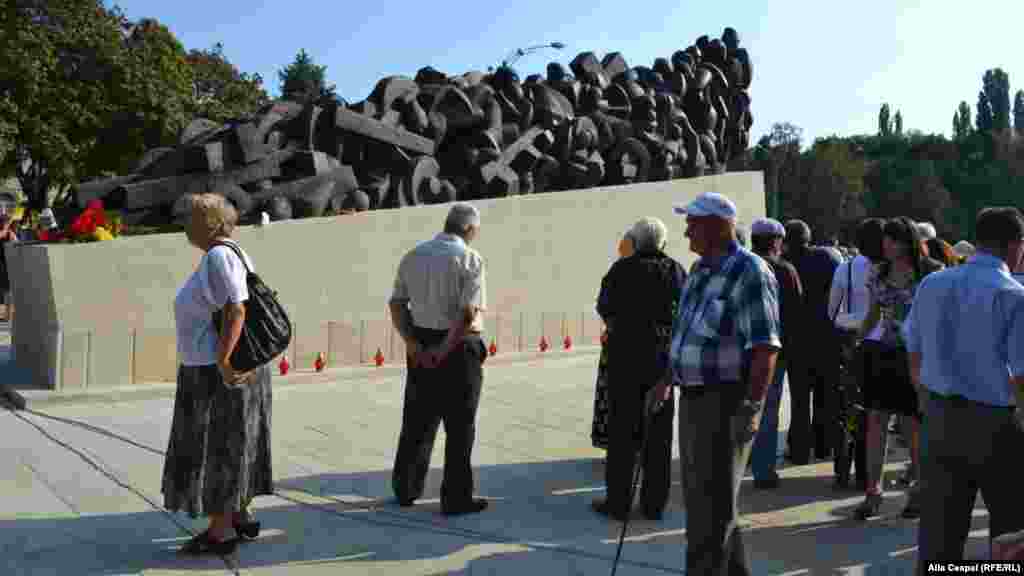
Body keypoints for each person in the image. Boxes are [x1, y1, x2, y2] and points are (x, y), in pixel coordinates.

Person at [666, 192, 781, 574]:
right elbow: (685, 333)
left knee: (709, 515)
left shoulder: (751, 270)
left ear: (717, 226)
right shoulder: (700, 269)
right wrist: (667, 377)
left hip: (726, 401)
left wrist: (750, 409)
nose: (686, 232)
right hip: (694, 400)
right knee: (707, 506)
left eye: (692, 223)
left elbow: (764, 348)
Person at [906, 207, 1024, 571]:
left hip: (939, 416)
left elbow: (913, 349)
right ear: (1015, 245)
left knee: (939, 534)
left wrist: (927, 402)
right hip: (997, 425)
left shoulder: (933, 283)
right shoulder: (1013, 294)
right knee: (1009, 534)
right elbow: (1021, 374)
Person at [162, 193, 273, 555]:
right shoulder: (234, 252)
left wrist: (224, 361)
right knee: (236, 441)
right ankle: (239, 513)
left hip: (213, 371)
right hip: (222, 367)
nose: (184, 223)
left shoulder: (218, 256)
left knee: (214, 447)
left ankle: (220, 531)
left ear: (207, 223)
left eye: (190, 217)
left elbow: (236, 309)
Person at [389, 202, 490, 516]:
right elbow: (468, 312)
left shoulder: (414, 255)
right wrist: (444, 349)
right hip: (459, 347)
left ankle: (406, 488)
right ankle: (456, 497)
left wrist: (414, 344)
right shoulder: (470, 259)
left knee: (417, 420)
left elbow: (396, 305)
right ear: (470, 230)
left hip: (421, 342)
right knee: (460, 426)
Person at [592, 217, 685, 521]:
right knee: (658, 436)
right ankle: (654, 503)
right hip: (661, 362)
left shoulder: (622, 269)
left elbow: (604, 307)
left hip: (625, 361)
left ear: (636, 240)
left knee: (622, 436)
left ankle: (617, 502)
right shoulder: (675, 270)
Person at [853, 216, 942, 520]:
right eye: (885, 239)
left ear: (908, 241)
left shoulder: (931, 273)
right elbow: (873, 315)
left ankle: (917, 492)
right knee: (876, 421)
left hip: (917, 357)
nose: (886, 245)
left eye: (893, 239)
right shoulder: (879, 273)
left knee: (912, 427)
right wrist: (857, 341)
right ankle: (872, 492)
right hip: (884, 353)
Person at [827, 218, 886, 491]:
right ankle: (867, 473)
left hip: (849, 340)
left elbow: (831, 310)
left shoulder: (845, 268)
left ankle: (841, 468)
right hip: (882, 342)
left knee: (847, 406)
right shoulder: (889, 270)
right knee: (875, 411)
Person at [748, 217, 803, 489]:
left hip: (740, 350)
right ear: (777, 241)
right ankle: (763, 470)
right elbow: (795, 312)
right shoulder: (785, 269)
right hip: (772, 352)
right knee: (768, 410)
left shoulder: (743, 266)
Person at [784, 220, 842, 464]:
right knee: (824, 395)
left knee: (799, 399)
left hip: (796, 338)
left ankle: (798, 450)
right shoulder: (828, 258)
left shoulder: (785, 263)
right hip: (826, 335)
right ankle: (823, 446)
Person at [591, 228, 635, 450]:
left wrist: (611, 325)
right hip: (642, 346)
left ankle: (613, 440)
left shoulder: (617, 270)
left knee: (614, 396)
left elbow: (603, 305)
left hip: (617, 343)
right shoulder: (665, 267)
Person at [0, 214, 17, 322]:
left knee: (7, 290)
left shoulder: (8, 233)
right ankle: (7, 315)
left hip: (5, 263)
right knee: (6, 290)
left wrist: (9, 230)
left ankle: (8, 315)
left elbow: (16, 242)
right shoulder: (4, 232)